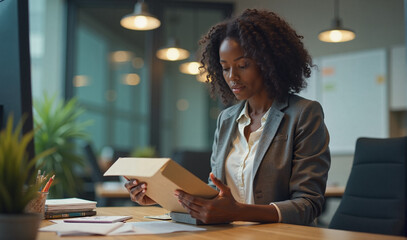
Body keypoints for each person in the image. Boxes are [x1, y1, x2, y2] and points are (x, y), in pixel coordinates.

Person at [125, 8, 330, 226]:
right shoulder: (227, 119)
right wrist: (160, 196)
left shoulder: (304, 114)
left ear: (269, 62)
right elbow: (216, 192)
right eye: (225, 68)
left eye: (242, 65)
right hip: (229, 234)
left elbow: (308, 204)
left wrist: (238, 212)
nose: (232, 77)